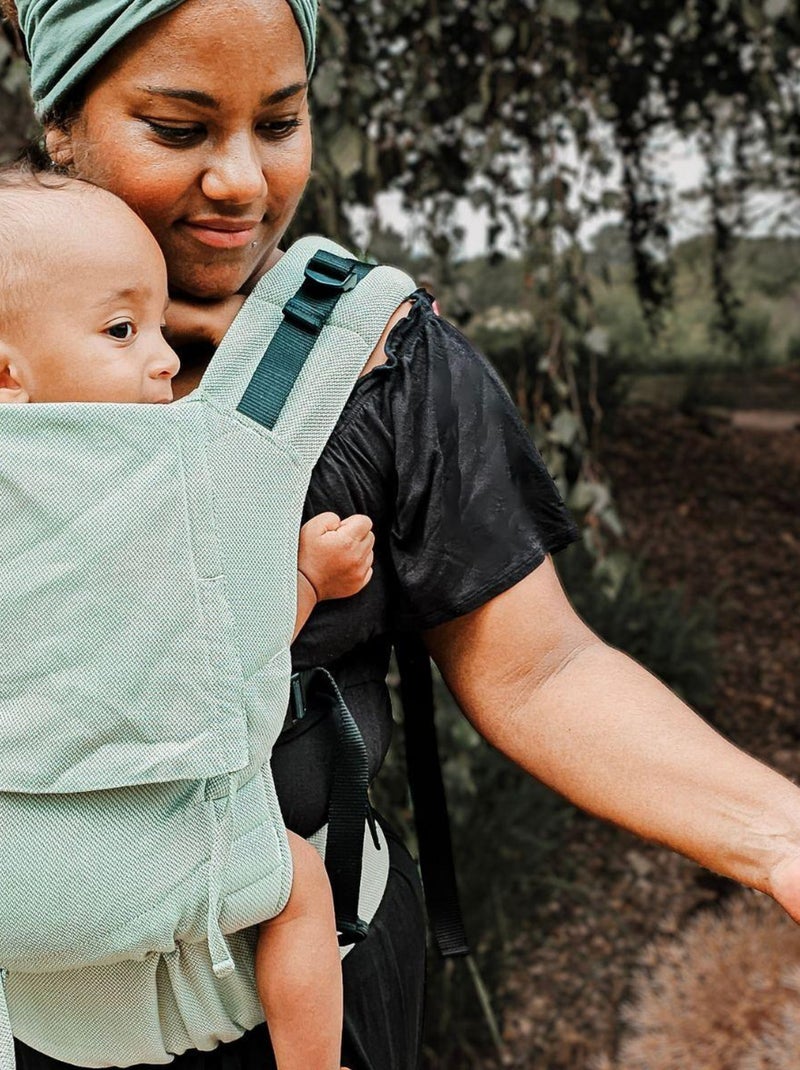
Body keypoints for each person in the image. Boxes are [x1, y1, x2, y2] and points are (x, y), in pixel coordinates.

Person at [5, 1, 800, 1069]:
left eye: (279, 123)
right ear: (61, 122)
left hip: (307, 992)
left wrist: (775, 834)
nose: (240, 180)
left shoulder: (378, 361)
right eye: (180, 129)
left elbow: (540, 670)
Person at [0, 167, 375, 1070]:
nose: (167, 358)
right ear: (6, 373)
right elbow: (227, 645)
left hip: (13, 899)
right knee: (300, 887)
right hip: (149, 863)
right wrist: (309, 578)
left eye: (162, 327)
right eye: (123, 330)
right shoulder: (148, 491)